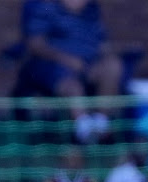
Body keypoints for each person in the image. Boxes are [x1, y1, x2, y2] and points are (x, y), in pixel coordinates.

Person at [22, 0, 123, 143]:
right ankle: (84, 129)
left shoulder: (91, 11)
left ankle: (101, 123)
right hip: (55, 67)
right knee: (72, 86)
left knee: (113, 66)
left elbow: (102, 43)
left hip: (89, 64)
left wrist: (106, 56)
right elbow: (35, 45)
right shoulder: (45, 8)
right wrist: (68, 60)